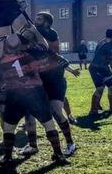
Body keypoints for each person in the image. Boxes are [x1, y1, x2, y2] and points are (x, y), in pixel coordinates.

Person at [0, 30, 69, 166]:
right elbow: (44, 45)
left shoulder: (2, 59)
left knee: (9, 127)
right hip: (35, 92)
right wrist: (34, 30)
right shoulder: (32, 54)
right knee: (48, 124)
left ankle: (7, 157)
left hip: (15, 94)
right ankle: (58, 154)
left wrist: (0, 47)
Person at [33, 12, 80, 156]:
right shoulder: (36, 35)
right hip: (41, 79)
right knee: (36, 112)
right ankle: (33, 145)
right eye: (35, 18)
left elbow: (52, 54)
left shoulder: (50, 33)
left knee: (56, 111)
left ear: (47, 22)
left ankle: (70, 144)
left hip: (55, 79)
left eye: (39, 19)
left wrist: (25, 19)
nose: (36, 21)